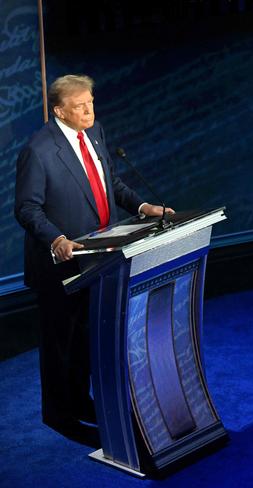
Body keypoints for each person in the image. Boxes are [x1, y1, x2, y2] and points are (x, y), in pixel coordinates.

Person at [14, 74, 171, 446]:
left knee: (87, 337)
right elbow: (27, 207)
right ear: (59, 111)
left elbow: (109, 182)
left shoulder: (95, 131)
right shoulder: (38, 151)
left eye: (91, 103)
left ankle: (81, 401)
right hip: (61, 266)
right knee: (61, 343)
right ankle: (58, 414)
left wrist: (142, 206)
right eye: (80, 105)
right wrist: (57, 238)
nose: (89, 110)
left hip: (102, 256)